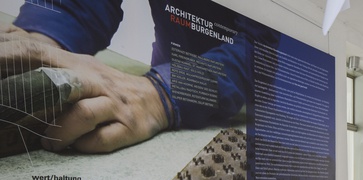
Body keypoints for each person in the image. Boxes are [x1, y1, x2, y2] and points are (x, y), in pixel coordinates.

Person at [0, 0, 279, 153]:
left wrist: (159, 96)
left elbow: (269, 45)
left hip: (259, 113)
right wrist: (43, 42)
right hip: (161, 75)